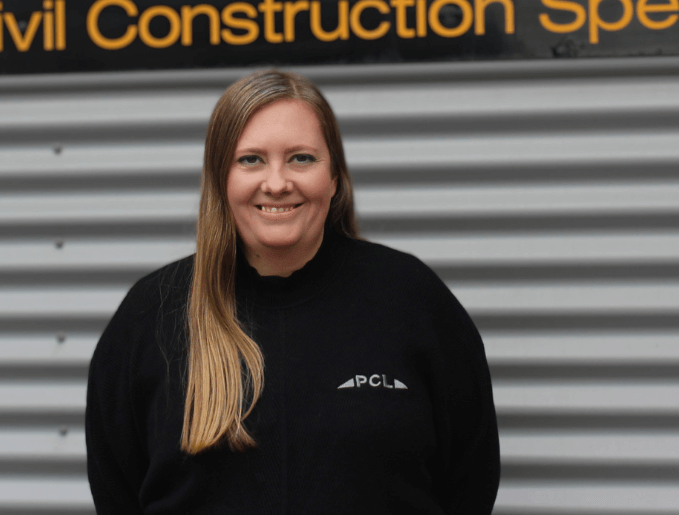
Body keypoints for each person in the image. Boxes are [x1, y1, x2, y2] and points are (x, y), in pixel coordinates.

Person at [85, 69, 500, 514]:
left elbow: (470, 480)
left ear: (334, 177)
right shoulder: (151, 315)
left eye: (301, 158)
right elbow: (117, 490)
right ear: (220, 179)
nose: (277, 182)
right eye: (251, 160)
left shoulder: (412, 300)